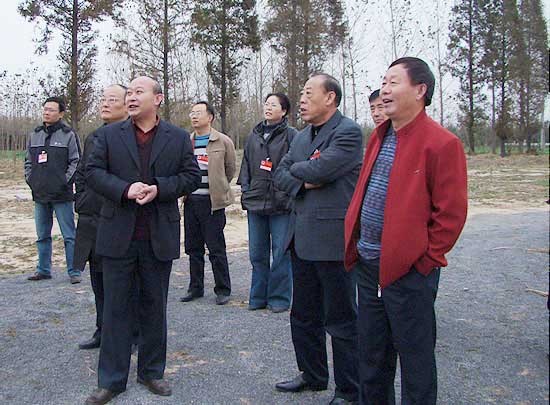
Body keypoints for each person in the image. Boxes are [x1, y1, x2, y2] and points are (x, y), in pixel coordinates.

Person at [344, 57, 468, 404]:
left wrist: (424, 261)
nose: (384, 90)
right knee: (372, 360)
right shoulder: (380, 136)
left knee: (416, 363)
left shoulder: (442, 143)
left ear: (420, 90)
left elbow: (451, 214)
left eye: (393, 82)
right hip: (369, 267)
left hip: (409, 273)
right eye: (383, 82)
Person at [84, 76, 201, 405]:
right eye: (129, 93)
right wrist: (125, 189)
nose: (131, 98)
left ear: (158, 98)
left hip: (157, 236)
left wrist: (159, 189)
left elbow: (191, 176)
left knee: (154, 307)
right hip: (117, 235)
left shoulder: (178, 138)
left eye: (139, 92)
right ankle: (111, 380)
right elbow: (92, 173)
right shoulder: (108, 135)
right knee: (115, 310)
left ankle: (151, 372)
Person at [273, 73, 361, 405]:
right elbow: (279, 175)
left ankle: (348, 390)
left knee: (340, 319)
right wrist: (305, 175)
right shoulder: (301, 137)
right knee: (303, 315)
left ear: (331, 98)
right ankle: (312, 375)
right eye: (302, 93)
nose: (302, 99)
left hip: (332, 241)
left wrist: (303, 171)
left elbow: (322, 171)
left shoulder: (348, 132)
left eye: (310, 93)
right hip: (301, 238)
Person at [74, 84, 138, 351]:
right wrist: (81, 200)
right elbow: (83, 172)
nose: (105, 104)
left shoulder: (134, 137)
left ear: (127, 105)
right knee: (98, 280)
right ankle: (103, 329)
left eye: (112, 99)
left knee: (124, 283)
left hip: (119, 217)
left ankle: (132, 334)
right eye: (103, 99)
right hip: (91, 219)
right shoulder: (95, 136)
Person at [237, 93, 297, 313]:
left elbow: (296, 166)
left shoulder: (292, 135)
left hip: (281, 203)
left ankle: (279, 298)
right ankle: (257, 296)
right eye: (266, 104)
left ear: (284, 111)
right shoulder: (254, 135)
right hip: (256, 201)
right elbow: (245, 165)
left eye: (274, 104)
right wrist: (246, 190)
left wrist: (288, 191)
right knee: (257, 253)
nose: (268, 107)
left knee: (281, 252)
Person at [179, 101, 236, 306]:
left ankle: (223, 289)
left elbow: (230, 169)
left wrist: (219, 186)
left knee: (216, 247)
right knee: (193, 248)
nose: (194, 116)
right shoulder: (186, 142)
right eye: (192, 113)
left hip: (212, 203)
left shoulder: (223, 141)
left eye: (198, 112)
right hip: (191, 201)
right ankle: (195, 288)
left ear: (210, 117)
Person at [25, 96, 81, 284]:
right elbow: (28, 161)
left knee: (69, 236)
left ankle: (74, 271)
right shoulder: (35, 135)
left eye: (51, 110)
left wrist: (64, 182)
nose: (46, 113)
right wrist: (31, 180)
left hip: (62, 194)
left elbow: (76, 161)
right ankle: (43, 270)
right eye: (45, 109)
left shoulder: (68, 135)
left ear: (61, 114)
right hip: (40, 194)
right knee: (42, 235)